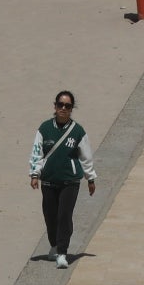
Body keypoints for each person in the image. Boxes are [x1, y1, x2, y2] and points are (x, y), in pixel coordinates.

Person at [30, 90, 95, 269]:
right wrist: (35, 174)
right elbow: (37, 152)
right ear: (55, 106)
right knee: (50, 216)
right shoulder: (44, 129)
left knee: (64, 216)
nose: (63, 109)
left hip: (70, 181)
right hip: (49, 181)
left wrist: (90, 178)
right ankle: (55, 245)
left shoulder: (78, 131)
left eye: (67, 106)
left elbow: (86, 156)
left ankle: (62, 253)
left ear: (72, 108)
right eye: (60, 105)